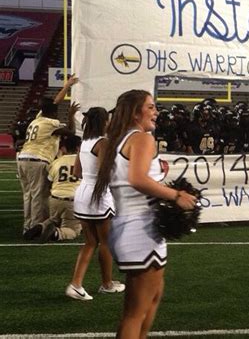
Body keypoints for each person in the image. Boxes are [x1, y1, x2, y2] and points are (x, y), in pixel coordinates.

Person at [92, 90, 196, 338]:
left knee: (154, 294)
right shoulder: (141, 138)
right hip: (140, 227)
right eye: (150, 107)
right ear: (135, 112)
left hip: (130, 225)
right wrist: (175, 196)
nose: (156, 112)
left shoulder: (116, 139)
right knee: (134, 312)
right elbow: (137, 179)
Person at [66, 107, 124, 301]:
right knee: (106, 242)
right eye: (107, 120)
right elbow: (103, 173)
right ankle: (107, 284)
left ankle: (76, 284)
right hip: (97, 196)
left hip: (83, 193)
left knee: (90, 242)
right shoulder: (103, 143)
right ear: (103, 122)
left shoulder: (84, 142)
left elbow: (76, 172)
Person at [17, 75, 79, 238]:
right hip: (38, 159)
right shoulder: (51, 123)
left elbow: (55, 102)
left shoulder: (37, 120)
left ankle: (27, 225)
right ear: (53, 112)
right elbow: (71, 132)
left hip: (22, 158)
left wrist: (67, 86)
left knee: (28, 195)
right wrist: (71, 115)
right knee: (38, 196)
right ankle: (34, 227)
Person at [24, 134, 83, 243]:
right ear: (78, 147)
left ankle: (41, 227)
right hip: (72, 199)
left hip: (55, 198)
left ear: (63, 148)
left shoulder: (56, 162)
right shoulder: (84, 161)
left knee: (54, 219)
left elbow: (49, 182)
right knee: (74, 229)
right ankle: (56, 233)